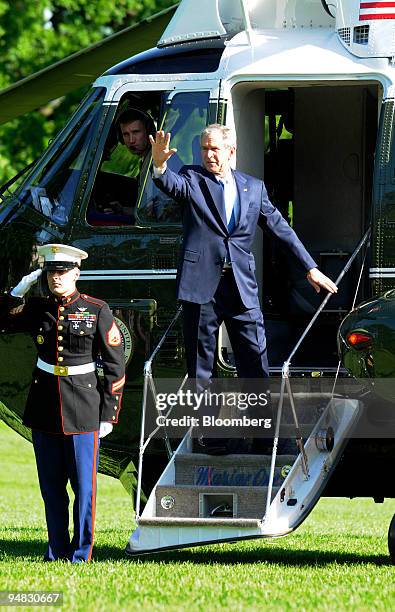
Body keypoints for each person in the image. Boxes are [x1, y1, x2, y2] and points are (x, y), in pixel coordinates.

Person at [150, 125, 337, 449]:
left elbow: (281, 229)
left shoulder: (253, 188)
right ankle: (209, 435)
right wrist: (159, 165)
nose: (208, 155)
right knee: (201, 367)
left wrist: (311, 268)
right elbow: (170, 183)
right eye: (204, 148)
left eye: (214, 149)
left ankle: (263, 436)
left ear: (231, 151)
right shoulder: (193, 179)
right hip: (201, 287)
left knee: (254, 361)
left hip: (240, 286)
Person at [0, 244, 125, 562]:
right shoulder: (36, 308)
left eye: (63, 272)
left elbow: (114, 364)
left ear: (76, 274)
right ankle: (56, 549)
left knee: (84, 489)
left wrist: (109, 413)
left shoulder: (96, 309)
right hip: (44, 407)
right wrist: (18, 291)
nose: (57, 278)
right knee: (52, 488)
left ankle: (81, 552)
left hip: (83, 407)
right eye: (51, 272)